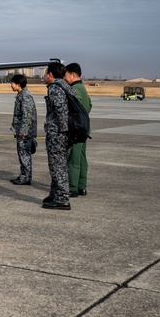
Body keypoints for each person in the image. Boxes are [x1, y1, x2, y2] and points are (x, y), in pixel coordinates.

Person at [43, 61, 73, 210]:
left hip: (58, 134)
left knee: (57, 166)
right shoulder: (67, 86)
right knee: (58, 165)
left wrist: (61, 133)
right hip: (64, 133)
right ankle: (54, 194)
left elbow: (61, 112)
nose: (44, 76)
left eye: (45, 73)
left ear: (50, 74)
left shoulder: (55, 88)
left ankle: (62, 199)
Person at [65, 62, 92, 197]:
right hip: (84, 128)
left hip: (77, 129)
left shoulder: (74, 89)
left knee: (73, 159)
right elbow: (89, 105)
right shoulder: (82, 88)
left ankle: (73, 188)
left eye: (66, 74)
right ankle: (82, 186)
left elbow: (77, 106)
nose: (65, 78)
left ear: (73, 74)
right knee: (81, 157)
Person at [9, 73, 37, 185]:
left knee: (24, 154)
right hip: (22, 131)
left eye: (12, 83)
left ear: (18, 84)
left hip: (24, 133)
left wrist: (24, 131)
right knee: (22, 154)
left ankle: (25, 177)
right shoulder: (21, 95)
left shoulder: (25, 97)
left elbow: (27, 115)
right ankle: (24, 175)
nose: (11, 85)